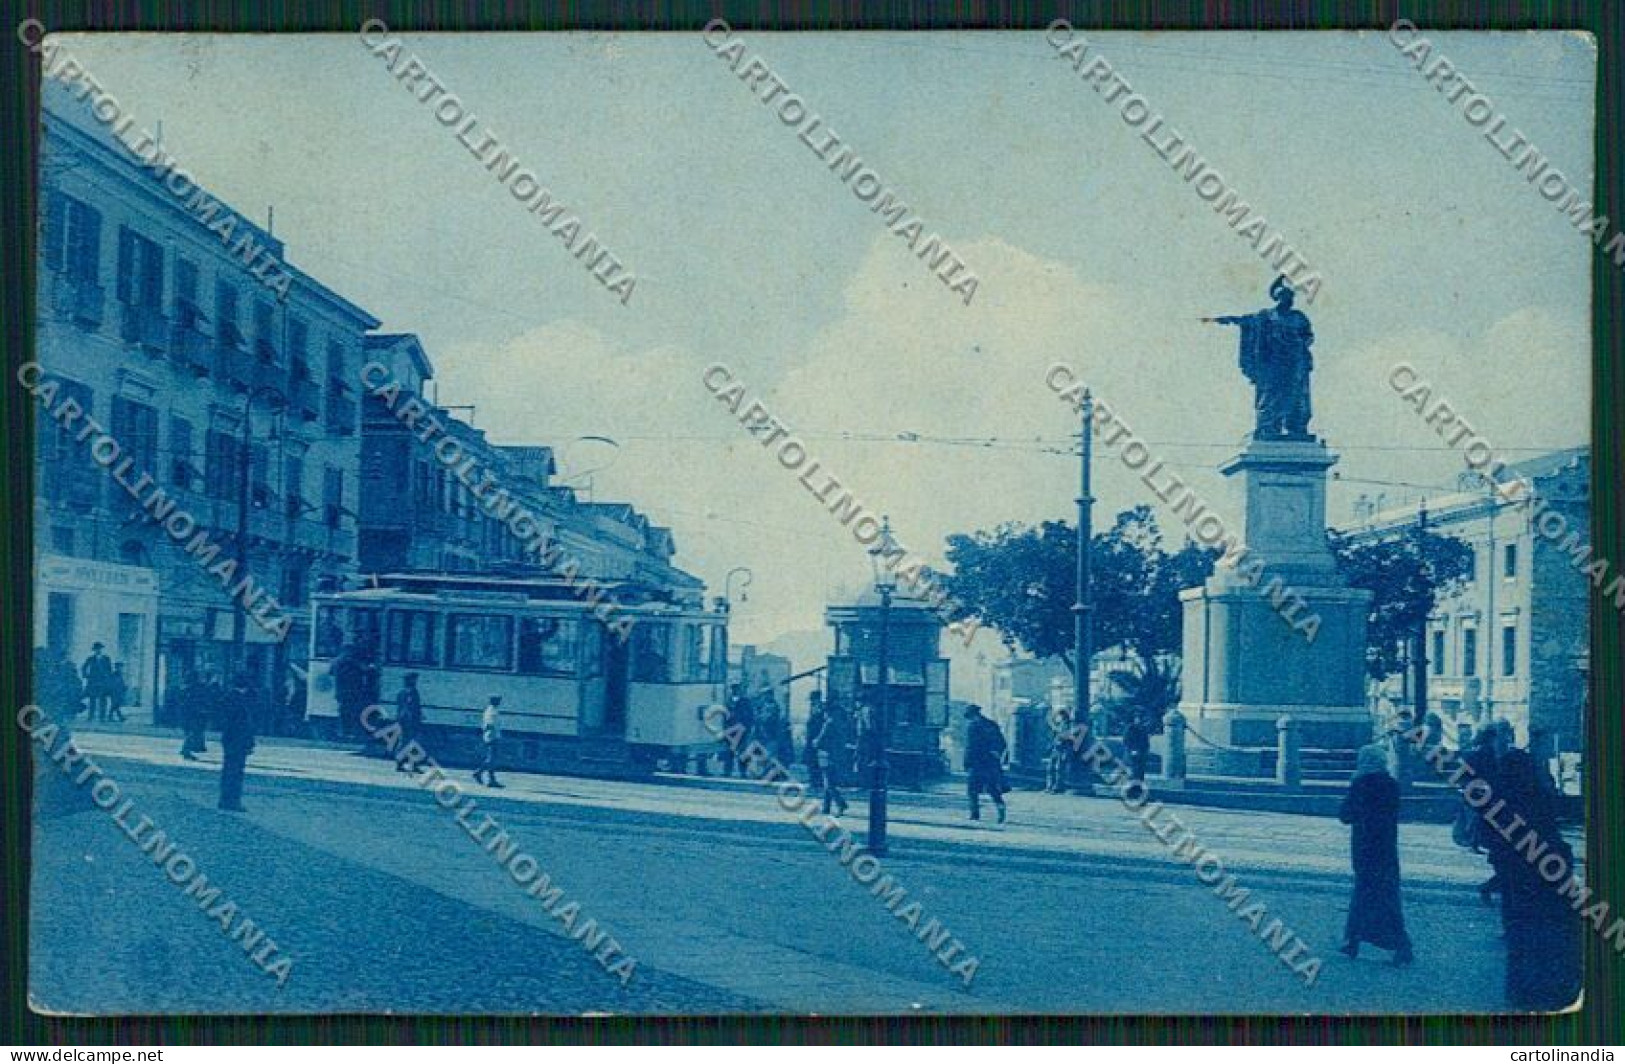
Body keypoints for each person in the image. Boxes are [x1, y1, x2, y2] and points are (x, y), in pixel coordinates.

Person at [1495, 748, 1582, 1010]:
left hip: (1516, 873)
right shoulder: (1539, 793)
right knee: (1546, 931)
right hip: (1547, 870)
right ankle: (1548, 987)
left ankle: (1521, 989)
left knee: (1519, 932)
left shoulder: (1500, 799)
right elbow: (1551, 828)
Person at [1338, 744, 1414, 965]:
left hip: (1364, 849)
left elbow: (1345, 815)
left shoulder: (1360, 784)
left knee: (1363, 894)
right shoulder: (1392, 785)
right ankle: (1355, 940)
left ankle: (1396, 945)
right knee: (1387, 896)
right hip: (1386, 850)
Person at [964, 704, 1008, 824]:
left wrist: (966, 763)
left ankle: (974, 814)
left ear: (971, 715)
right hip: (991, 762)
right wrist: (995, 753)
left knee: (972, 789)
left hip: (976, 762)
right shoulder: (991, 724)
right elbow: (1003, 742)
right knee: (992, 788)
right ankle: (1001, 808)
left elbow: (970, 746)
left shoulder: (972, 726)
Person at [218, 673, 256, 812]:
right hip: (238, 740)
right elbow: (245, 725)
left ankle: (224, 799)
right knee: (236, 772)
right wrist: (250, 742)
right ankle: (232, 801)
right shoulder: (241, 701)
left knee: (228, 770)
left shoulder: (227, 698)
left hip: (229, 739)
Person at [811, 702, 848, 816]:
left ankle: (840, 803)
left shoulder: (829, 723)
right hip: (836, 755)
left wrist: (815, 741)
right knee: (827, 781)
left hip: (826, 755)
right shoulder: (840, 723)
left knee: (828, 782)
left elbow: (820, 740)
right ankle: (826, 807)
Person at [394, 673, 425, 773]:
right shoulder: (412, 692)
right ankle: (413, 764)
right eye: (414, 679)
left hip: (403, 721)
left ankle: (400, 763)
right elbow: (409, 707)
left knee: (404, 742)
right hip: (410, 722)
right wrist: (415, 718)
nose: (416, 681)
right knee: (414, 742)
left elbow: (401, 708)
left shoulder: (401, 692)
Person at [178, 669, 210, 760]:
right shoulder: (197, 688)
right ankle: (186, 750)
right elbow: (202, 701)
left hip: (187, 715)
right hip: (195, 715)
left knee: (191, 732)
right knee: (193, 732)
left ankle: (189, 749)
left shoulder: (185, 689)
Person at [473, 695, 504, 788]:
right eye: (498, 700)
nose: (499, 702)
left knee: (492, 759)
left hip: (492, 736)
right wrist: (493, 734)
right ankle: (479, 773)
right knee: (491, 759)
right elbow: (489, 725)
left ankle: (490, 779)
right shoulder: (491, 711)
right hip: (492, 737)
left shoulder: (492, 710)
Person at [81, 642, 114, 722]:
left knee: (103, 700)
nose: (98, 650)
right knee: (92, 699)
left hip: (103, 682)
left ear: (101, 649)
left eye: (99, 649)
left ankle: (102, 717)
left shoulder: (106, 659)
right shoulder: (90, 659)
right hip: (93, 682)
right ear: (94, 650)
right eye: (96, 649)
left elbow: (110, 670)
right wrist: (86, 675)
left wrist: (108, 678)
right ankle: (90, 716)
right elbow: (84, 667)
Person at [1045, 709, 1074, 794]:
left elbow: (1069, 737)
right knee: (1050, 768)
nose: (1060, 717)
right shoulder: (1061, 724)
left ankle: (1057, 787)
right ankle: (1050, 786)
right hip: (1056, 749)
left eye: (1061, 716)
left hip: (1063, 749)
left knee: (1059, 769)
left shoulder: (1069, 725)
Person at [804, 692, 827, 792]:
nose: (812, 702)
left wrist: (817, 738)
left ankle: (816, 782)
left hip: (816, 739)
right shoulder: (814, 708)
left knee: (815, 761)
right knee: (811, 760)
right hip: (811, 738)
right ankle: (814, 781)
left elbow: (819, 724)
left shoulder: (819, 708)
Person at [1124, 712, 1151, 783]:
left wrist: (1146, 750)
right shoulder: (1130, 728)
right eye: (1138, 718)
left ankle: (1140, 785)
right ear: (1134, 719)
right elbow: (1126, 741)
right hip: (1132, 752)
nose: (1139, 720)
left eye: (1140, 718)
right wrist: (1132, 750)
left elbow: (1146, 741)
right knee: (1133, 770)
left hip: (1142, 752)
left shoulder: (1144, 729)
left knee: (1141, 770)